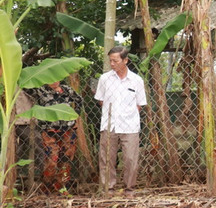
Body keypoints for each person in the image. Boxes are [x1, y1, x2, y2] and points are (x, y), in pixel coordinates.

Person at [95, 46, 147, 195]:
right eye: (110, 61)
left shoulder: (136, 80)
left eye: (115, 61)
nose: (112, 64)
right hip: (108, 124)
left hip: (130, 125)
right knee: (106, 159)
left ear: (125, 60)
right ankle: (108, 190)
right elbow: (100, 100)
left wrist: (126, 113)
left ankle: (129, 189)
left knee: (130, 159)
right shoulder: (104, 79)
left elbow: (140, 104)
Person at [30, 80, 83, 193]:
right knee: (52, 160)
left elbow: (79, 100)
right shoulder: (41, 91)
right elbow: (26, 89)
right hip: (49, 130)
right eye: (51, 79)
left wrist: (75, 115)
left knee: (66, 159)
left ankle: (61, 187)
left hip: (68, 129)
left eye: (57, 78)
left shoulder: (67, 90)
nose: (54, 81)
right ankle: (47, 187)